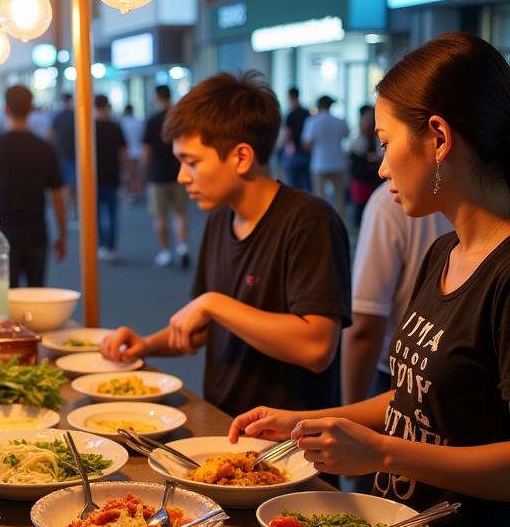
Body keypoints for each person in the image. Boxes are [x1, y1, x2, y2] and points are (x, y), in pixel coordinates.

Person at [230, 33, 510, 527]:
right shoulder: (440, 252)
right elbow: (416, 391)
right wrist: (312, 424)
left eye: (388, 142)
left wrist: (379, 455)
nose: (379, 164)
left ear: (440, 138)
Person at [101, 71, 351, 418]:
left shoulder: (309, 221)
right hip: (224, 424)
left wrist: (214, 304)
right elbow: (206, 326)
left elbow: (317, 346)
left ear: (241, 157)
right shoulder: (221, 218)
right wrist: (146, 345)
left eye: (192, 162)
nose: (181, 176)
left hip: (289, 448)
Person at [343, 181, 452, 403]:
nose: (382, 169)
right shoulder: (445, 245)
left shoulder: (388, 202)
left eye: (386, 146)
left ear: (442, 145)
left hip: (397, 375)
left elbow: (365, 327)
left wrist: (349, 411)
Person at [0, 84, 67, 287]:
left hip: (0, 234)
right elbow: (58, 197)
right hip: (37, 232)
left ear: (5, 109)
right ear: (31, 109)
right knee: (36, 295)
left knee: (4, 297)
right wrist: (62, 235)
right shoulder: (45, 148)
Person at [143, 85, 189, 268]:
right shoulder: (180, 119)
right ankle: (182, 247)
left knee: (160, 216)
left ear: (157, 97)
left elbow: (146, 150)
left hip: (157, 175)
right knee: (180, 214)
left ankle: (165, 251)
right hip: (180, 172)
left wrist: (142, 171)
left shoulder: (153, 120)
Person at [302, 94, 348, 222]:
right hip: (337, 162)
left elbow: (306, 144)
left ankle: (322, 222)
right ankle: (340, 222)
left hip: (319, 163)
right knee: (339, 197)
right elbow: (346, 134)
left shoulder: (312, 121)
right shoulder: (339, 120)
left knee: (320, 197)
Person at [94, 95, 127, 262]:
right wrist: (129, 172)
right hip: (112, 175)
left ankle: (101, 246)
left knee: (97, 214)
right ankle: (112, 248)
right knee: (113, 214)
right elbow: (123, 152)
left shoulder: (89, 128)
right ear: (107, 106)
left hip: (94, 178)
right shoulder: (115, 127)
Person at [348, 104, 384, 227]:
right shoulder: (357, 138)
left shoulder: (377, 137)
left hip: (374, 179)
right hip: (362, 179)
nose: (369, 123)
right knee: (361, 209)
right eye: (366, 120)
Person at [277, 87, 311, 191]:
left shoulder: (290, 115)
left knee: (293, 186)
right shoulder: (307, 113)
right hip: (306, 153)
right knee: (306, 186)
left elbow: (288, 135)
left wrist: (280, 147)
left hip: (294, 154)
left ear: (290, 97)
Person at [50, 92, 76, 216]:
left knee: (66, 183)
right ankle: (74, 206)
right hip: (75, 153)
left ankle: (69, 207)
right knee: (74, 182)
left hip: (62, 153)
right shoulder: (75, 115)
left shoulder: (58, 116)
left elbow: (52, 134)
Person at [120, 103, 145, 203]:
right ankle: (137, 192)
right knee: (137, 173)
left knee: (129, 174)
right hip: (138, 151)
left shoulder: (122, 123)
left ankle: (130, 192)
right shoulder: (139, 122)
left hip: (127, 152)